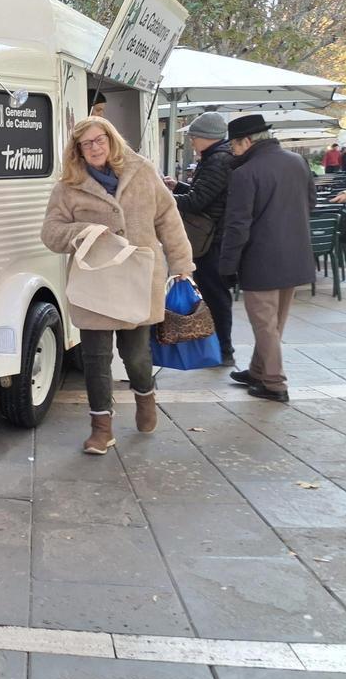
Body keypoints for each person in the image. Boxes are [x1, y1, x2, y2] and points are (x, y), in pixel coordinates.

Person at [42, 116, 194, 455]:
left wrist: (182, 263)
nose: (95, 147)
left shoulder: (142, 171)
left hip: (139, 279)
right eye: (87, 143)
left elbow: (168, 217)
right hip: (95, 283)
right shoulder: (68, 185)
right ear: (78, 150)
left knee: (136, 355)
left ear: (111, 140)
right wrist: (81, 232)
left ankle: (145, 397)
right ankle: (101, 428)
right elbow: (51, 233)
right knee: (95, 359)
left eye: (100, 140)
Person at [219, 114, 317, 403]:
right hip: (296, 254)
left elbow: (237, 226)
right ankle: (258, 370)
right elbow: (309, 203)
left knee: (264, 323)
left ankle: (274, 383)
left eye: (233, 146)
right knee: (275, 322)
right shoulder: (297, 161)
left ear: (246, 141)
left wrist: (227, 266)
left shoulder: (245, 173)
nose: (232, 152)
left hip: (261, 259)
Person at [164, 112, 237, 365]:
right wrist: (178, 187)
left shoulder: (217, 160)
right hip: (213, 237)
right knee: (213, 293)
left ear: (207, 137)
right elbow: (204, 194)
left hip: (212, 240)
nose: (192, 141)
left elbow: (197, 202)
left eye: (194, 136)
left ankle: (223, 350)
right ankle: (218, 348)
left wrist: (162, 199)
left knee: (215, 295)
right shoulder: (217, 157)